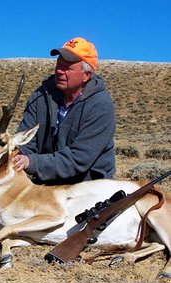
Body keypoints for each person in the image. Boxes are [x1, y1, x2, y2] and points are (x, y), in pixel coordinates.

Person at [13, 37, 116, 185]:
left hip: (87, 185)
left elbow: (79, 158)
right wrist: (14, 156)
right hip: (47, 182)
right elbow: (25, 141)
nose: (60, 71)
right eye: (59, 65)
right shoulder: (40, 96)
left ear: (86, 75)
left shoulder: (100, 105)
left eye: (67, 68)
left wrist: (32, 162)